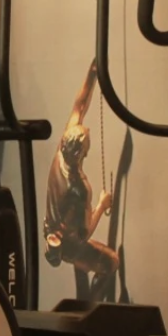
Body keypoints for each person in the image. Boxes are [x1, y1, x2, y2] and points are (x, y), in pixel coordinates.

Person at [44, 59, 117, 282]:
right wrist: (102, 204)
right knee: (111, 262)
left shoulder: (61, 150)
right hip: (69, 245)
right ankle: (92, 298)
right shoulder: (79, 189)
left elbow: (80, 107)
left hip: (55, 227)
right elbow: (85, 234)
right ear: (81, 154)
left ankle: (81, 265)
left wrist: (93, 73)